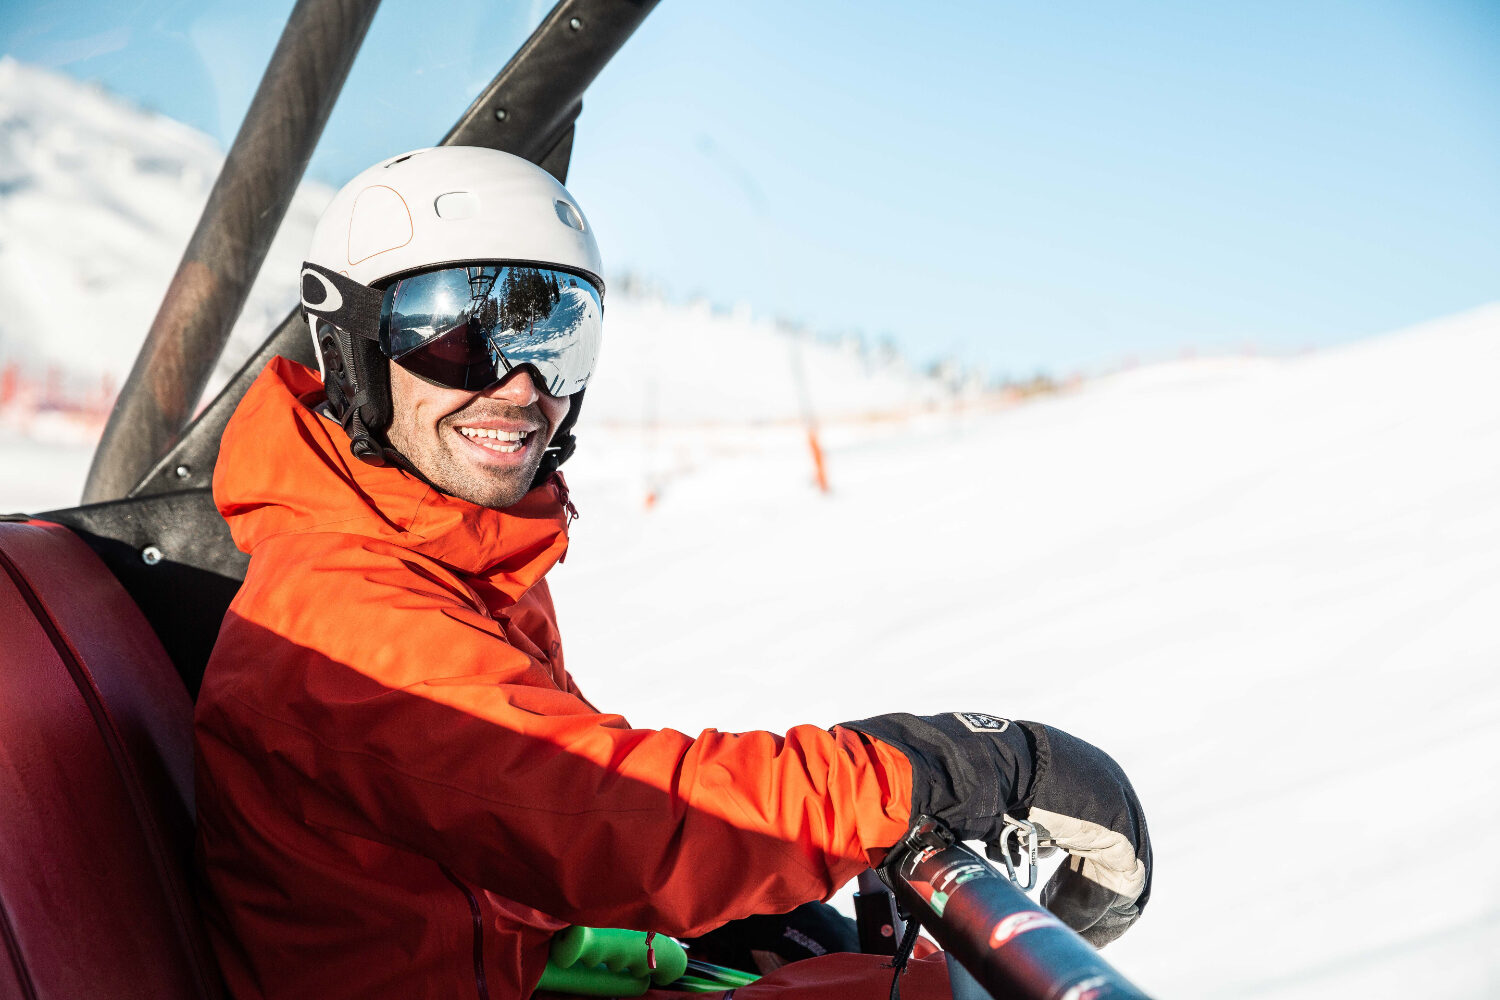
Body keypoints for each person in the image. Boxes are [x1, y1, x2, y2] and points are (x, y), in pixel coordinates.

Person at [194, 146, 1152, 1000]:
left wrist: (741, 914)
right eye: (456, 333)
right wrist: (932, 770)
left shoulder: (445, 555)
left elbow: (537, 836)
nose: (521, 385)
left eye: (556, 333)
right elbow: (607, 819)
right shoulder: (342, 611)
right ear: (353, 346)